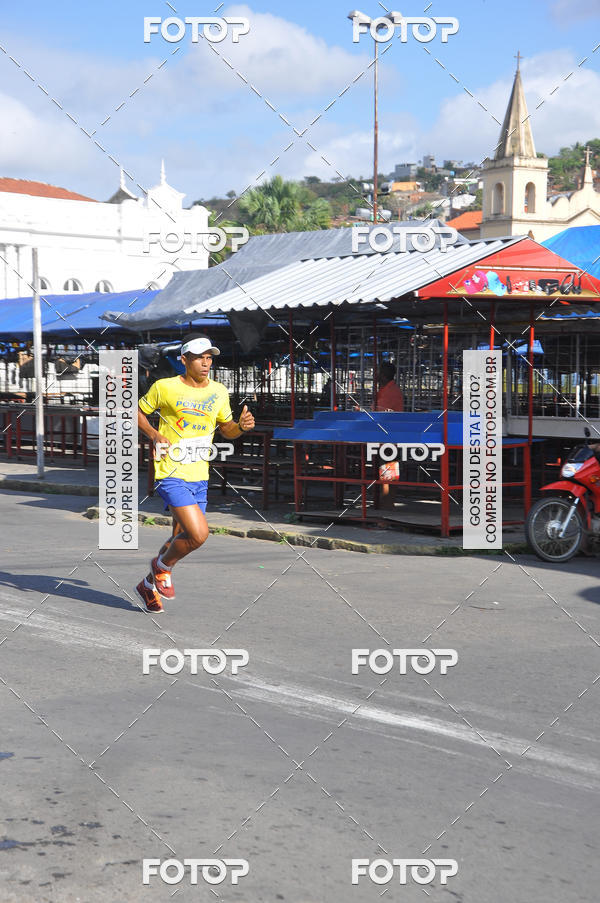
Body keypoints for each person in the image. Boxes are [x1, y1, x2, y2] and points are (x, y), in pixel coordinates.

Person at [135, 334, 255, 612]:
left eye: (209, 357)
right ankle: (161, 567)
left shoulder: (218, 391)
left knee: (180, 538)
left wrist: (242, 426)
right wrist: (154, 435)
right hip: (170, 471)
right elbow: (135, 411)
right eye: (200, 357)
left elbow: (227, 429)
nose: (205, 362)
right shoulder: (164, 387)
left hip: (199, 476)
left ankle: (148, 584)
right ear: (184, 359)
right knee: (199, 534)